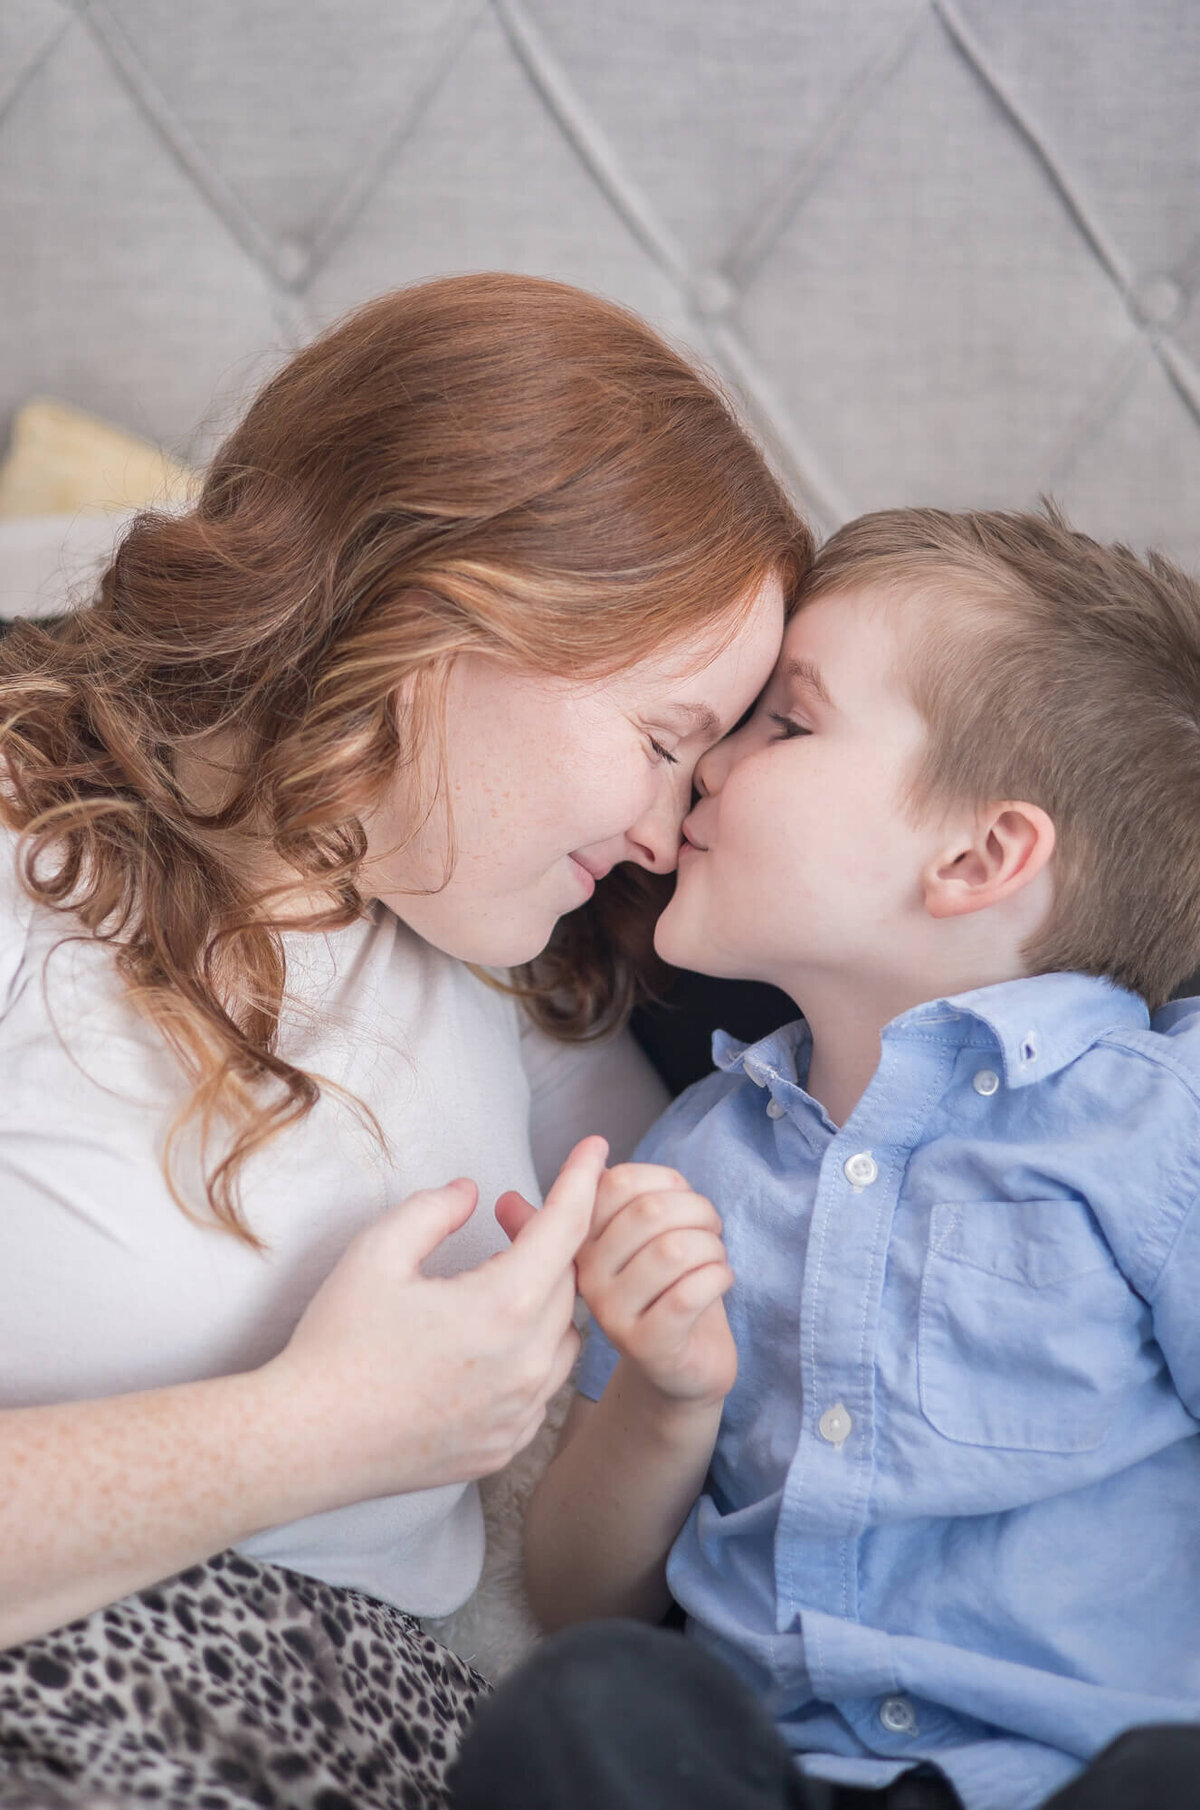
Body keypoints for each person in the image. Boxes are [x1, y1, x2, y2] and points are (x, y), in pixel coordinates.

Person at [0, 271, 811, 1808]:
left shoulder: (512, 969)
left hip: (415, 1737)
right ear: (438, 602)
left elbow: (599, 1568)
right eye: (659, 739)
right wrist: (314, 1431)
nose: (658, 836)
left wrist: (662, 1395)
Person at [488, 506, 1200, 1810]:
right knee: (578, 1709)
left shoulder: (1157, 1126)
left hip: (1083, 1773)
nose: (700, 765)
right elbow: (580, 1597)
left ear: (979, 856)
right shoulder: (696, 1153)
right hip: (783, 1777)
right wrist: (666, 1395)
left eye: (786, 721)